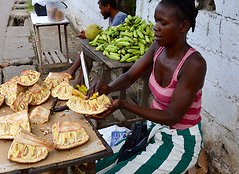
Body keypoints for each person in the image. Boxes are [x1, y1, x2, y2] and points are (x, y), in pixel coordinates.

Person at [86, 0, 206, 173]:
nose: (155, 27)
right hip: (152, 129)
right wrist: (108, 88)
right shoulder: (158, 47)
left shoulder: (194, 64)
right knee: (97, 165)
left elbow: (172, 116)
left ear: (184, 26)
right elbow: (128, 77)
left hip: (180, 142)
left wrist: (123, 104)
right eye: (156, 20)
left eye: (163, 23)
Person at [65, 0, 127, 85]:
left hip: (120, 52)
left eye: (101, 8)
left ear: (108, 6)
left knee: (86, 51)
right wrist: (87, 34)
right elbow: (109, 35)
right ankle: (78, 80)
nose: (100, 12)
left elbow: (113, 39)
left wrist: (88, 36)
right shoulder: (113, 17)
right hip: (113, 47)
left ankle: (74, 75)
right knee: (86, 50)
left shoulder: (119, 17)